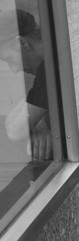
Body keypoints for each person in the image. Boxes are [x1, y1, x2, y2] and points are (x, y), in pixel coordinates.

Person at [0, 9, 51, 161]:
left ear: (21, 42)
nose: (15, 70)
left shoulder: (50, 68)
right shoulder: (53, 49)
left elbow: (15, 130)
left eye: (9, 59)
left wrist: (35, 119)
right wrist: (41, 120)